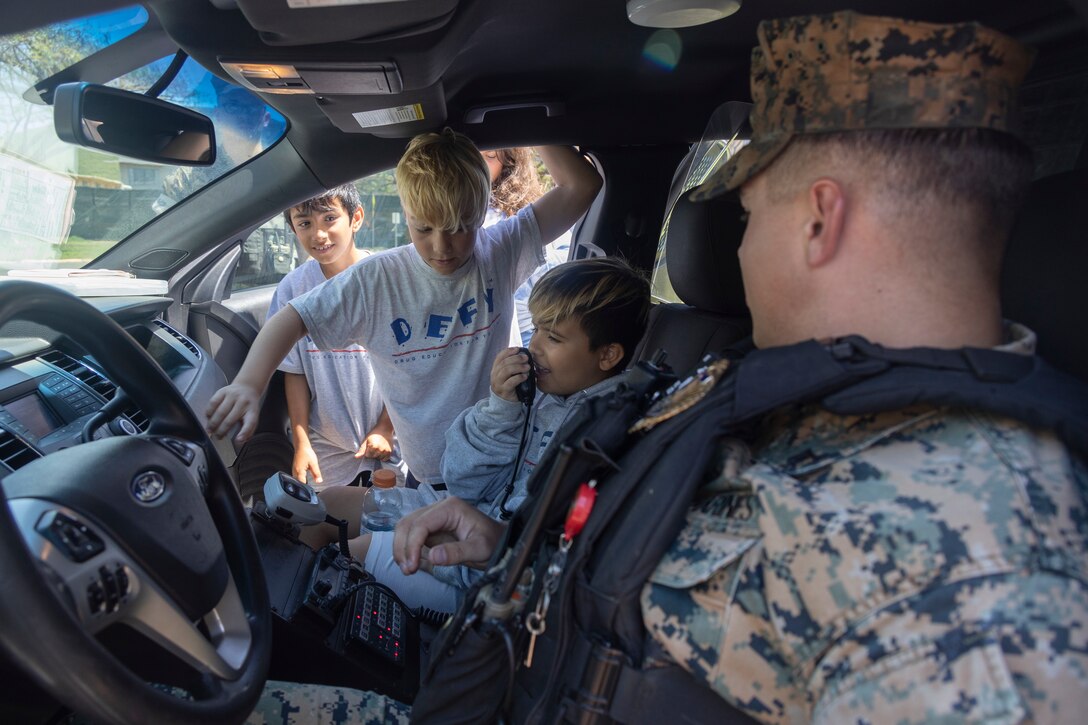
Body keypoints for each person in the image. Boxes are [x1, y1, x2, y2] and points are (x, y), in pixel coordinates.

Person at [250, 11, 1088, 722]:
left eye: (748, 213)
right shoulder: (796, 413)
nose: (733, 244)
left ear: (819, 220)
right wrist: (502, 543)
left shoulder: (985, 557)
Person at [207, 130, 602, 490]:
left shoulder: (500, 249)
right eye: (424, 228)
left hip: (511, 452)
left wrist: (519, 115)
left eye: (460, 227)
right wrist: (249, 383)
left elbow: (583, 185)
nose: (442, 248)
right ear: (406, 214)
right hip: (431, 473)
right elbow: (293, 318)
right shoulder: (376, 280)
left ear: (483, 212)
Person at [306, 257, 651, 610]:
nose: (535, 346)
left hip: (483, 573)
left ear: (607, 355)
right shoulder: (542, 396)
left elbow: (536, 540)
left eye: (554, 337)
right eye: (537, 328)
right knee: (324, 504)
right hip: (462, 509)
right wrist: (501, 408)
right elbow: (461, 481)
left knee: (346, 559)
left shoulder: (602, 431)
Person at [269, 183, 397, 489]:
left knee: (388, 520)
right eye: (305, 224)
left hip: (393, 434)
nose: (319, 235)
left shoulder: (386, 278)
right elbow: (295, 372)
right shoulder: (293, 288)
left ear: (356, 218)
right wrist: (302, 443)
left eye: (329, 219)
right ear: (293, 229)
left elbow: (406, 367)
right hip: (325, 442)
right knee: (324, 521)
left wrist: (385, 427)